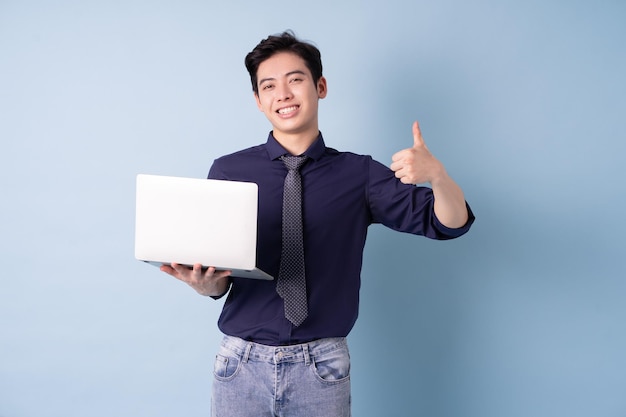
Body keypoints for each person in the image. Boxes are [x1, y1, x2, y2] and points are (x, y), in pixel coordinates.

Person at [160, 31, 475, 417]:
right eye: (269, 86)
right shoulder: (229, 171)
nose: (284, 94)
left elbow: (449, 223)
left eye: (295, 79)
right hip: (240, 363)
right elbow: (221, 274)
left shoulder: (359, 173)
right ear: (259, 102)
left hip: (321, 366)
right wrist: (208, 286)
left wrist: (438, 177)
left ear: (320, 86)